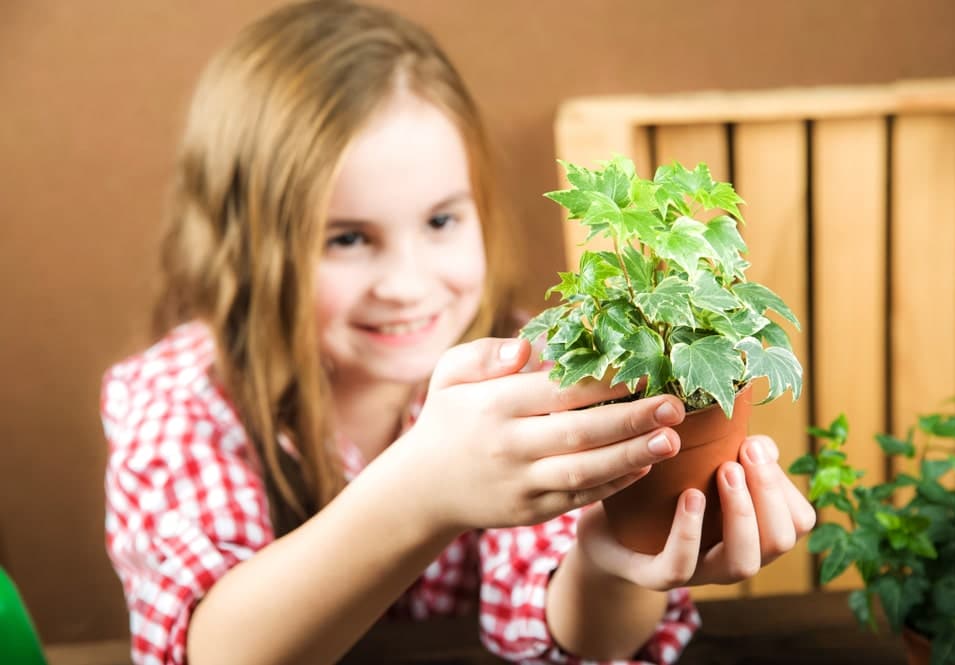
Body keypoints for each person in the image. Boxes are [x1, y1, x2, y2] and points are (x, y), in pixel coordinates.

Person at [100, 1, 816, 664]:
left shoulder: (528, 363)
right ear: (243, 246)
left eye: (442, 221)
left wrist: (612, 563)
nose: (408, 283)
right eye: (348, 239)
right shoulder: (180, 398)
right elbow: (210, 649)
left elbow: (573, 632)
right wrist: (422, 489)